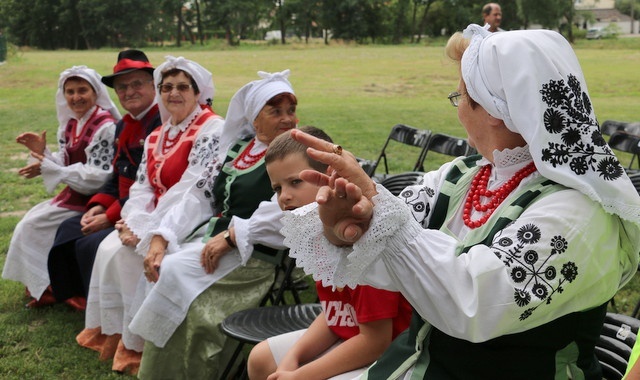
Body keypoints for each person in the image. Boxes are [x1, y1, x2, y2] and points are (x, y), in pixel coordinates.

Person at [281, 25, 640, 379]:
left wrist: (381, 215)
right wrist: (345, 223)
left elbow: (474, 305)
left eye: (460, 97)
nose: (458, 109)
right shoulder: (462, 177)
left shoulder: (580, 212)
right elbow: (384, 256)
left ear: (496, 111)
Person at [130, 70, 298, 380]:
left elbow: (289, 209)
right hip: (218, 243)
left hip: (258, 256)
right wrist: (162, 236)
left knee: (180, 279)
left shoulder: (296, 152)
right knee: (166, 267)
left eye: (291, 110)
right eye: (276, 111)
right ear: (255, 119)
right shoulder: (237, 150)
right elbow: (197, 198)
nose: (288, 119)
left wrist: (234, 236)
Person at [75, 55, 224, 375]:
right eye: (166, 86)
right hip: (156, 217)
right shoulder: (160, 133)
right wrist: (132, 221)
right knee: (109, 248)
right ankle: (117, 336)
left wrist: (155, 231)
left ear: (198, 92)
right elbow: (142, 187)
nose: (173, 93)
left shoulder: (212, 129)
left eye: (183, 86)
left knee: (134, 257)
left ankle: (143, 345)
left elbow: (194, 192)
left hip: (191, 220)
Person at [246, 127, 413, 380]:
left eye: (295, 182)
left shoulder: (361, 234)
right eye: (278, 188)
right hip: (354, 338)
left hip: (393, 353)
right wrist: (294, 357)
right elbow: (336, 312)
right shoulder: (317, 233)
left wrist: (300, 375)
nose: (284, 197)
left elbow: (375, 341)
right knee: (261, 360)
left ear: (328, 176)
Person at [46, 50, 161, 312]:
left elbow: (147, 185)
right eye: (122, 87)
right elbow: (117, 175)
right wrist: (97, 206)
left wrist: (109, 216)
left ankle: (106, 310)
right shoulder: (125, 125)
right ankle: (78, 297)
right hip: (119, 205)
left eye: (137, 84)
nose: (129, 91)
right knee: (68, 230)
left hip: (144, 210)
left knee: (89, 243)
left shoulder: (159, 123)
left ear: (153, 86)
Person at [2, 65, 120, 309]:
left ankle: (58, 288)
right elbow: (66, 162)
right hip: (74, 195)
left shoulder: (105, 127)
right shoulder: (70, 123)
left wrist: (50, 167)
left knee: (32, 226)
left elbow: (99, 177)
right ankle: (48, 286)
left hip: (93, 200)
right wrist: (42, 153)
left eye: (82, 90)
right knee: (30, 222)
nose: (75, 97)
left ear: (95, 92)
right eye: (70, 91)